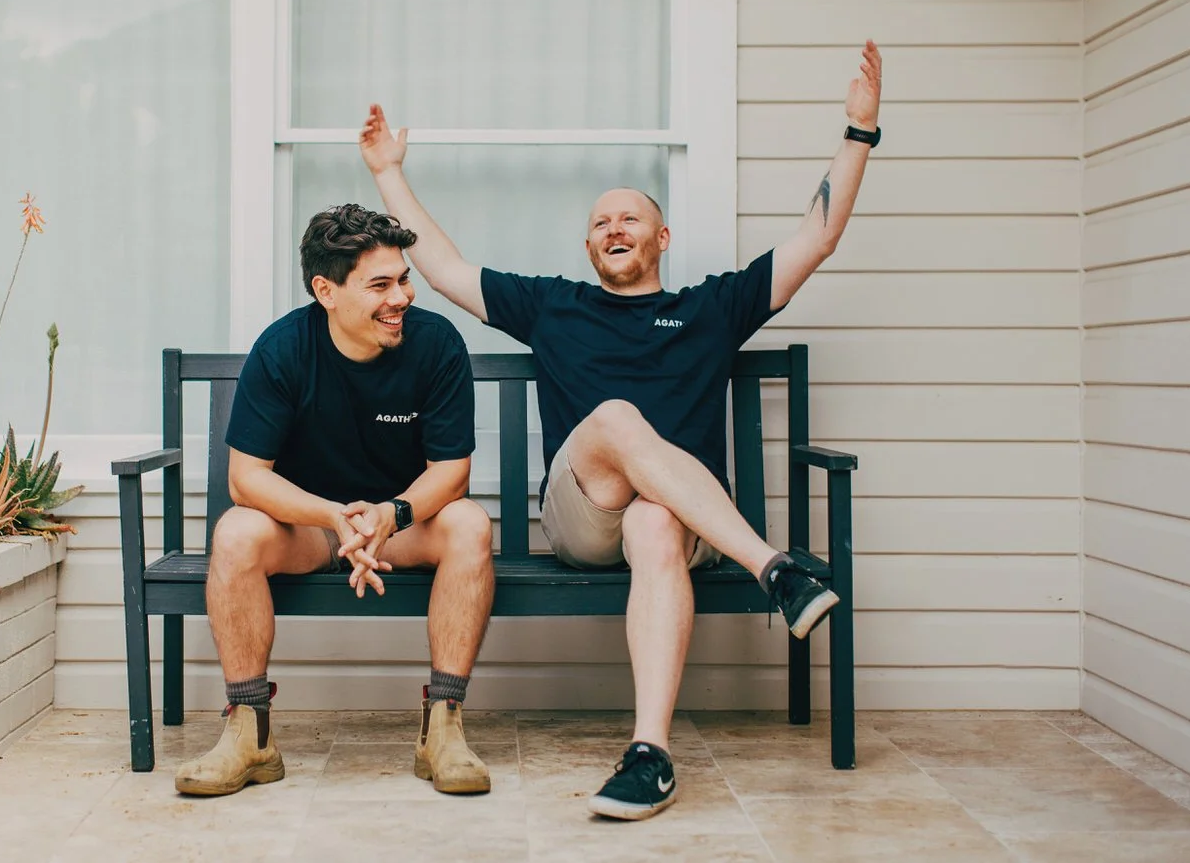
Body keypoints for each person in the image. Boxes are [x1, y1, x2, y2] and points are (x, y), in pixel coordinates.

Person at [357, 41, 883, 820]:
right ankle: (777, 569)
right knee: (615, 419)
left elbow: (816, 237)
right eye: (600, 220)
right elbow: (442, 268)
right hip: (581, 514)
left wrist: (858, 133)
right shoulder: (553, 307)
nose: (613, 226)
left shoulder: (712, 307)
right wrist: (386, 173)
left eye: (630, 216)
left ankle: (650, 753)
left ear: (660, 239)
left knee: (655, 514)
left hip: (679, 523)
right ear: (589, 244)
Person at [174, 203, 496, 797]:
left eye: (403, 279)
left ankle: (443, 729)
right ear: (326, 290)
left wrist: (389, 513)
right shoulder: (283, 349)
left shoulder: (435, 344)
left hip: (399, 525)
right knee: (237, 532)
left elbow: (451, 471)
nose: (400, 296)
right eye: (380, 284)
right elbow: (246, 478)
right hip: (311, 529)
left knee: (471, 524)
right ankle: (250, 734)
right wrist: (331, 515)